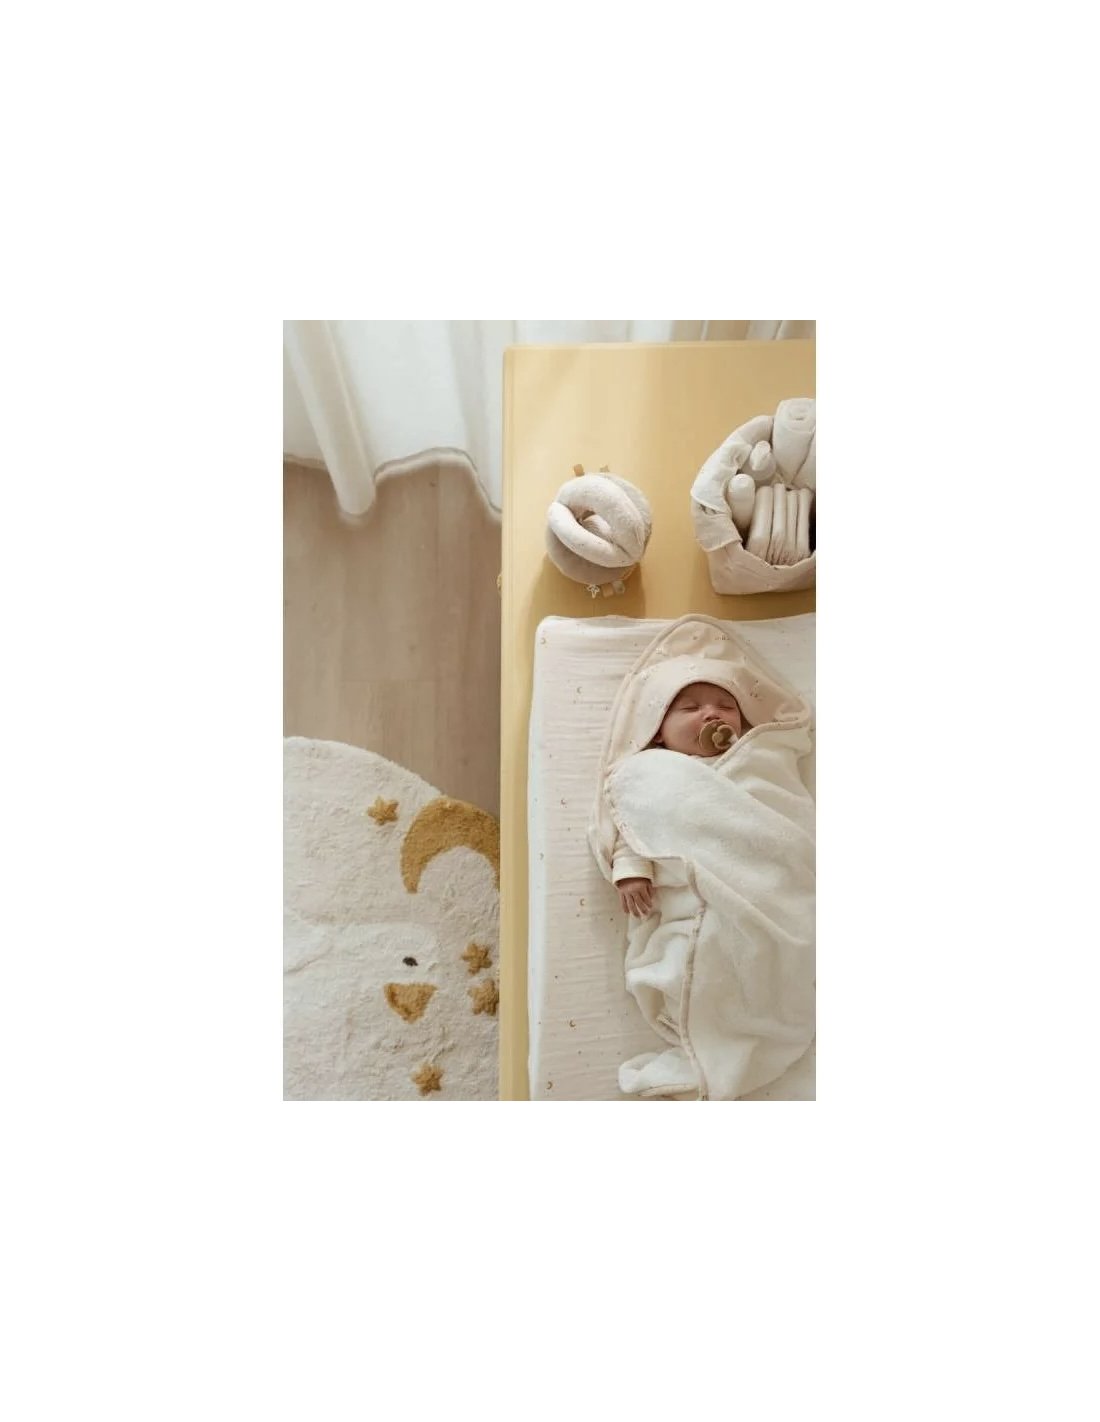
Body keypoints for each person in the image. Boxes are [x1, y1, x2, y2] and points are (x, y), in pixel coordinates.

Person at [612, 681, 744, 919]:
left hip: (746, 875)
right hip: (692, 893)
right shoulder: (654, 769)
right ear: (658, 730)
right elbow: (633, 821)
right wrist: (631, 870)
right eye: (691, 708)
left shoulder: (751, 758)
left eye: (726, 707)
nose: (712, 714)